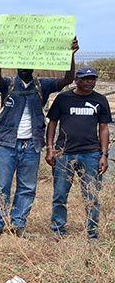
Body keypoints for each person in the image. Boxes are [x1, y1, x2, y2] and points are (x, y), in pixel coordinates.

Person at [0, 34, 78, 237]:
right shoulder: (8, 85)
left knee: (27, 187)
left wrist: (70, 55)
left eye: (28, 64)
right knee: (1, 186)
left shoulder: (42, 85)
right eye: (21, 64)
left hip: (32, 145)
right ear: (16, 66)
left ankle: (18, 224)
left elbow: (67, 79)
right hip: (8, 144)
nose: (25, 68)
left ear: (33, 66)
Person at [45, 67, 110, 241]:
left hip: (91, 154)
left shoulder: (100, 100)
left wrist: (104, 154)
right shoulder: (63, 98)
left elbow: (103, 129)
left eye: (93, 79)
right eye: (86, 79)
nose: (90, 82)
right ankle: (58, 230)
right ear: (76, 80)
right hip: (63, 154)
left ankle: (92, 234)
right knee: (60, 194)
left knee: (91, 196)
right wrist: (50, 148)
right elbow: (52, 124)